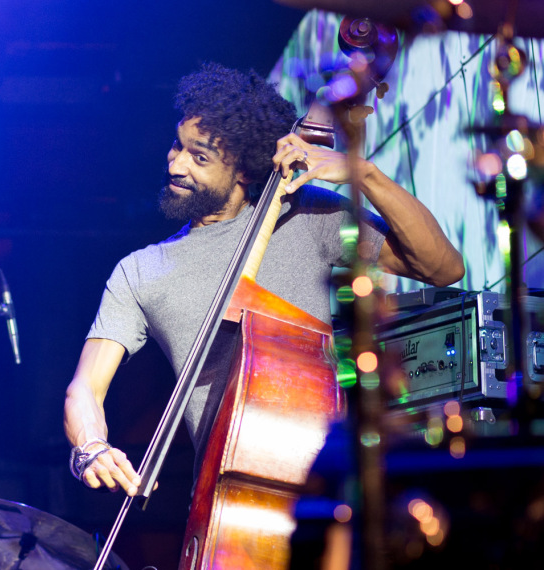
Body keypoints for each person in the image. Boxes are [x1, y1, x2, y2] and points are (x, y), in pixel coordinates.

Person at [63, 62, 465, 497]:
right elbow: (85, 387)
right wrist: (91, 445)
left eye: (199, 157)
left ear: (245, 171)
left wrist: (363, 174)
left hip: (334, 484)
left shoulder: (306, 214)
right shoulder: (140, 271)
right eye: (176, 148)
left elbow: (440, 268)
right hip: (225, 498)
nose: (177, 165)